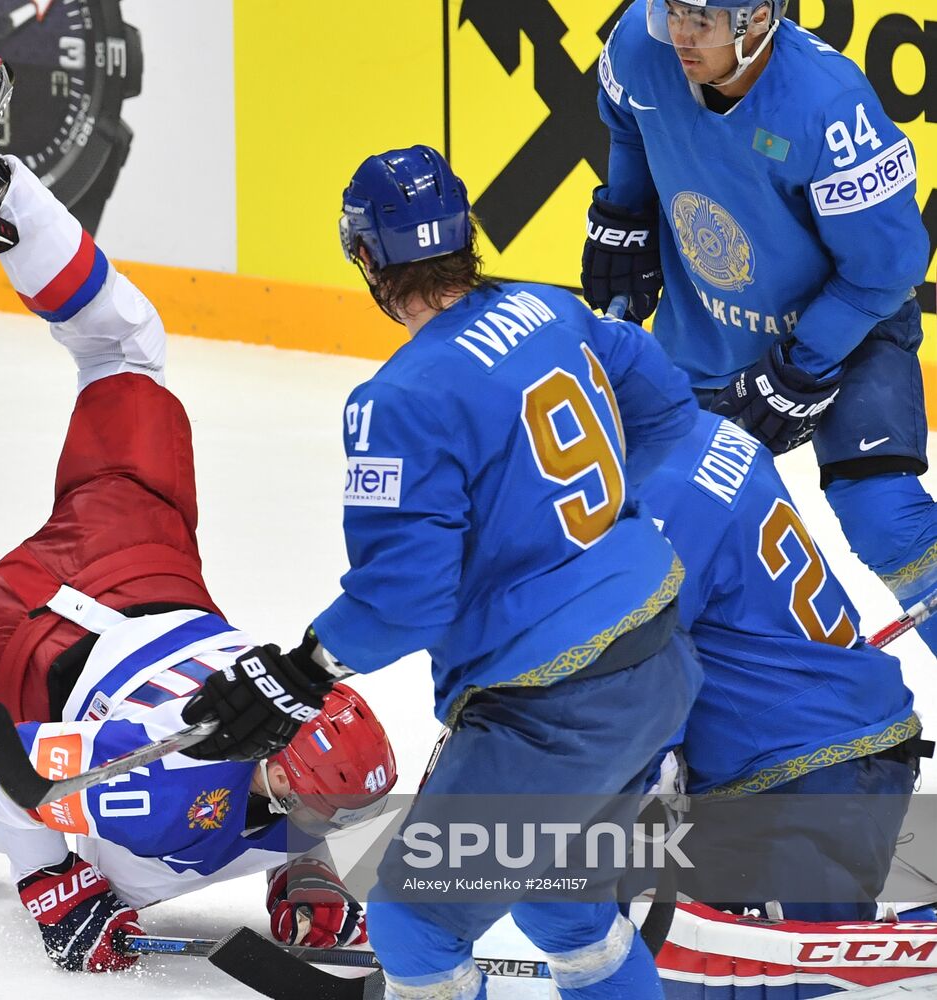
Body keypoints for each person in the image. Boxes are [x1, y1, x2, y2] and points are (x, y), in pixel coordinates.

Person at [0, 35, 396, 974]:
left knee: (125, 350)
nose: (340, 825)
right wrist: (54, 888)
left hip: (128, 556)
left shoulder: (312, 736)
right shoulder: (162, 790)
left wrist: (314, 879)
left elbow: (335, 807)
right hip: (15, 647)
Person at [180, 145, 706, 999]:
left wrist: (305, 670)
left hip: (553, 710)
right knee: (564, 905)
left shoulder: (397, 401)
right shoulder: (552, 309)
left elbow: (403, 598)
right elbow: (668, 412)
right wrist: (580, 533)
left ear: (363, 255)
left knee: (414, 921)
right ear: (466, 234)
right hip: (654, 664)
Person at [583, 0, 937, 659]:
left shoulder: (829, 109)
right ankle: (671, 728)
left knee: (884, 517)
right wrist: (625, 212)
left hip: (849, 335)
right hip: (706, 328)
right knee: (658, 531)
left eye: (702, 21)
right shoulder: (640, 42)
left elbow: (884, 271)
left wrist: (803, 362)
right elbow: (628, 120)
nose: (680, 36)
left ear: (757, 21)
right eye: (674, 13)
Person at [638, 409, 931, 921]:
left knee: (794, 978)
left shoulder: (659, 498)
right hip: (831, 739)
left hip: (801, 774)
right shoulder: (707, 430)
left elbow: (635, 669)